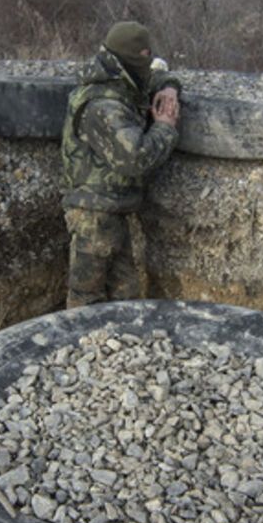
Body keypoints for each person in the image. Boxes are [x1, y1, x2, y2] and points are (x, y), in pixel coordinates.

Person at [60, 21, 182, 308]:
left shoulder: (118, 77)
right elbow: (135, 159)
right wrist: (164, 127)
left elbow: (153, 76)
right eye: (143, 56)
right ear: (129, 57)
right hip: (94, 215)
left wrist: (169, 88)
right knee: (86, 303)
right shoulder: (104, 105)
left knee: (125, 298)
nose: (147, 63)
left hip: (112, 209)